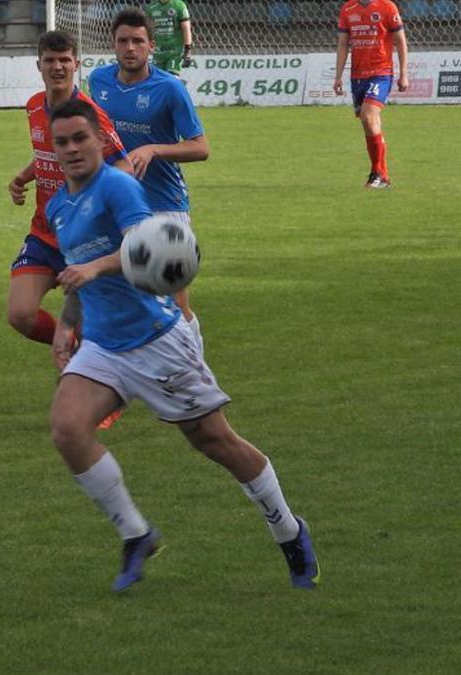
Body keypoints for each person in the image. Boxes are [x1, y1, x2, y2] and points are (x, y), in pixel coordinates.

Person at [42, 96, 320, 593]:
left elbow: (146, 247)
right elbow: (80, 273)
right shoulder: (58, 205)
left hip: (156, 339)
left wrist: (96, 266)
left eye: (80, 138)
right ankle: (136, 533)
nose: (71, 149)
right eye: (61, 141)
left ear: (102, 141)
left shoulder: (118, 187)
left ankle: (289, 530)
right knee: (67, 429)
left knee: (216, 442)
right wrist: (67, 321)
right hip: (104, 346)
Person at [87, 8, 209, 342]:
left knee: (174, 297)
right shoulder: (98, 81)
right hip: (117, 204)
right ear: (113, 45)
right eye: (123, 41)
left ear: (152, 46)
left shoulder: (169, 88)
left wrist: (153, 149)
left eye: (138, 41)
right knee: (117, 294)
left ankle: (194, 366)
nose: (130, 48)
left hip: (164, 203)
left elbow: (201, 147)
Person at [7, 29, 129, 347]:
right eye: (50, 60)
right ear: (39, 65)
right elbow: (48, 155)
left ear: (77, 64)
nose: (57, 67)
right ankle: (71, 346)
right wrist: (23, 177)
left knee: (97, 336)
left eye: (64, 60)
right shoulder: (34, 107)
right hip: (44, 232)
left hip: (86, 239)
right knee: (20, 314)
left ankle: (86, 361)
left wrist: (93, 207)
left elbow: (124, 167)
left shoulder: (91, 116)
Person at [334, 0, 408, 189]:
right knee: (370, 125)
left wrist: (403, 74)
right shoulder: (348, 9)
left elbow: (400, 40)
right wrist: (338, 76)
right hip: (357, 76)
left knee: (368, 117)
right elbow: (343, 44)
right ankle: (382, 176)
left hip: (381, 73)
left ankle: (377, 173)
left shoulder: (387, 6)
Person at [145, 0, 194, 75]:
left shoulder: (179, 5)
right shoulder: (151, 8)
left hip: (174, 51)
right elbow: (147, 30)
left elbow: (186, 28)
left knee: (171, 78)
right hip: (158, 52)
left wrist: (187, 50)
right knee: (157, 80)